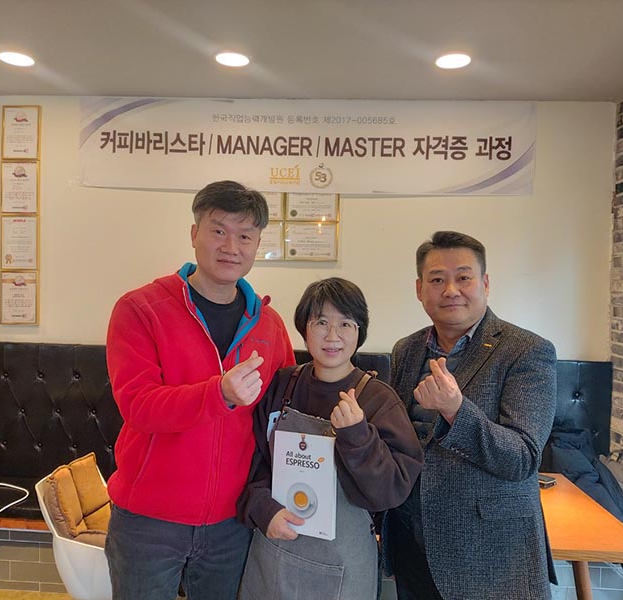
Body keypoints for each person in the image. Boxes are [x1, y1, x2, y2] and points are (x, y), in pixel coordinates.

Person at [104, 180, 295, 600]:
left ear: (257, 245)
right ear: (194, 234)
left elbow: (282, 416)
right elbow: (138, 405)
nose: (231, 246)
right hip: (148, 521)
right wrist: (218, 394)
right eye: (218, 231)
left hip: (231, 522)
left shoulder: (269, 325)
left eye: (245, 236)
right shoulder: (140, 309)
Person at [386, 231, 557, 600]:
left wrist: (455, 410)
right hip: (412, 543)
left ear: (485, 283)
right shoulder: (407, 350)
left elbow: (523, 457)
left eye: (463, 277)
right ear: (419, 289)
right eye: (436, 280)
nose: (451, 290)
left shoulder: (526, 351)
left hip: (489, 555)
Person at [237, 277, 423, 600]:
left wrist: (358, 436)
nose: (332, 336)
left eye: (345, 324)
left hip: (344, 562)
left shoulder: (378, 400)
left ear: (359, 332)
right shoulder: (283, 384)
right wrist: (263, 509)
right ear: (304, 329)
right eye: (321, 322)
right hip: (276, 548)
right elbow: (253, 461)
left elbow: (391, 491)